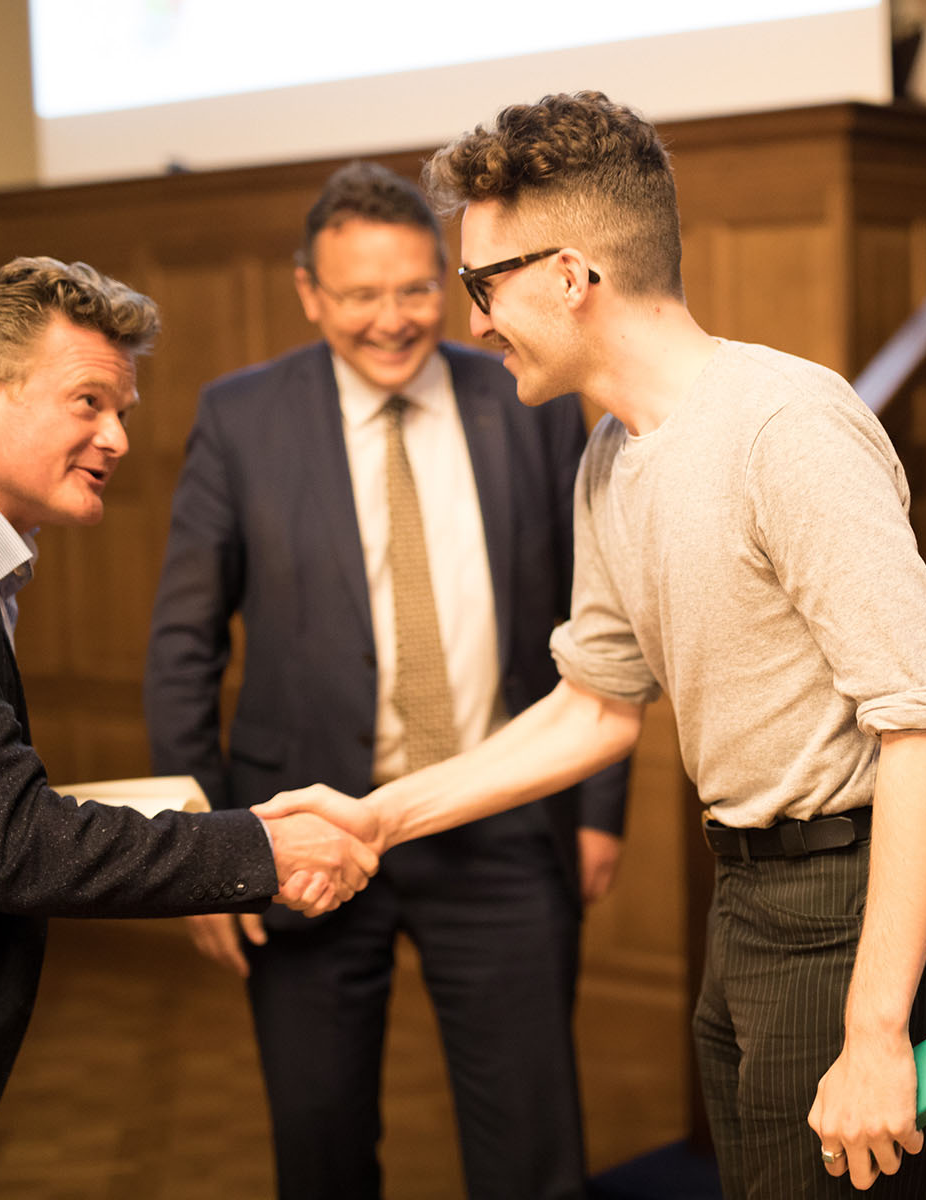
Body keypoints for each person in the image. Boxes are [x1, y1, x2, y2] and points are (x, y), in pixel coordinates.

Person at [261, 92, 926, 1198]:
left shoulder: (785, 428)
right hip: (744, 898)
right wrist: (378, 815)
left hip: (851, 900)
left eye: (481, 284)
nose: (471, 323)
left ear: (570, 274)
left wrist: (878, 1028)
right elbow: (596, 705)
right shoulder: (611, 454)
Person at [0, 256, 376, 1200]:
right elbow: (14, 843)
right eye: (89, 403)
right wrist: (265, 852)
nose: (116, 437)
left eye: (124, 412)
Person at [143, 161, 629, 1200]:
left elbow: (599, 614)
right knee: (318, 1151)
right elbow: (185, 643)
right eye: (359, 295)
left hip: (501, 821)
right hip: (304, 834)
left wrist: (599, 809)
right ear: (309, 293)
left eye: (415, 288)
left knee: (534, 1152)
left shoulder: (531, 399)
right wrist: (200, 853)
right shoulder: (240, 418)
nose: (391, 319)